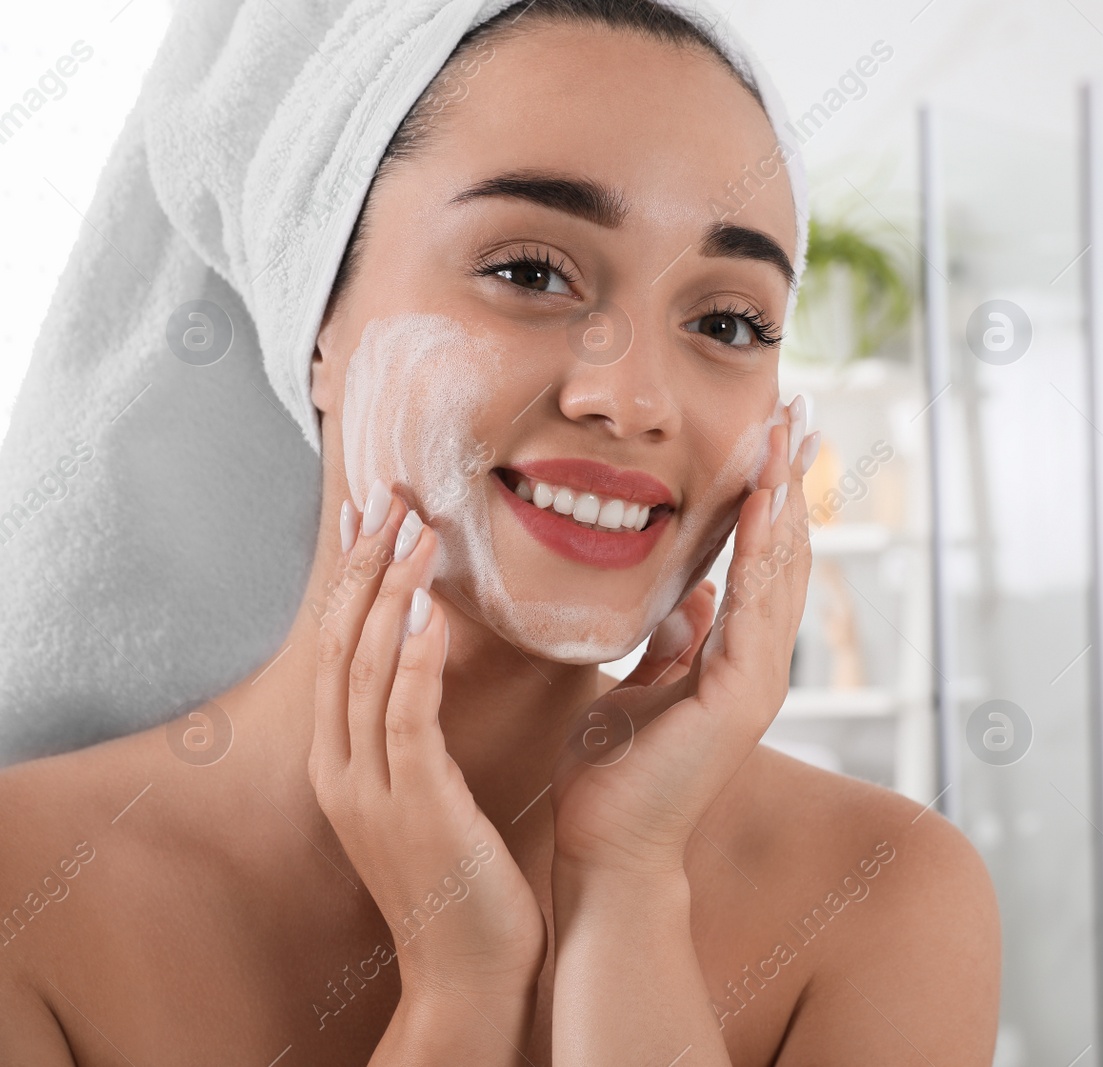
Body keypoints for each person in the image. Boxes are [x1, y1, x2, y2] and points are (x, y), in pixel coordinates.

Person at [0, 1, 1000, 1064]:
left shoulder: (881, 894)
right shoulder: (27, 886)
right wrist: (459, 987)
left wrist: (630, 881)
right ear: (316, 321)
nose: (634, 397)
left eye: (727, 322)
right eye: (529, 272)